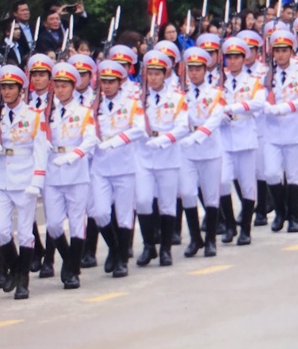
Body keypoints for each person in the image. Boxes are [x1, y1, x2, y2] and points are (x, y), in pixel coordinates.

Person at [0, 65, 49, 300]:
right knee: (0, 231)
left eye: (11, 87)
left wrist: (38, 180)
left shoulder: (33, 115)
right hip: (1, 178)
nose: (6, 92)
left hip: (24, 177)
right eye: (3, 87)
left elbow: (41, 150)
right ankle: (13, 268)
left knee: (25, 233)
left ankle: (23, 279)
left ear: (21, 90)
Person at [44, 62, 98, 289]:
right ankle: (69, 260)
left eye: (65, 85)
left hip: (76, 171)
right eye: (57, 84)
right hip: (53, 171)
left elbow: (90, 139)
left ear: (73, 86)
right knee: (54, 224)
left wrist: (74, 156)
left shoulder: (84, 111)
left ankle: (72, 271)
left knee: (77, 222)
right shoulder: (48, 111)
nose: (60, 89)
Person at [89, 60, 145, 276]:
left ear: (120, 82)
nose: (107, 86)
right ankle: (114, 248)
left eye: (111, 82)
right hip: (101, 166)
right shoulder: (95, 105)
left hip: (123, 164)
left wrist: (116, 140)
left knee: (123, 215)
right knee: (101, 212)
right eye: (104, 81)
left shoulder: (131, 103)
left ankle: (121, 258)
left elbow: (139, 129)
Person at [135, 50, 189, 267]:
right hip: (144, 155)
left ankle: (165, 248)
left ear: (165, 74)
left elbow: (183, 126)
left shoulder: (176, 97)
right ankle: (149, 245)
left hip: (167, 155)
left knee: (167, 204)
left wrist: (165, 140)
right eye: (150, 74)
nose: (154, 78)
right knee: (143, 200)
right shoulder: (138, 98)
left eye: (158, 74)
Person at [218, 37, 265, 246]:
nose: (233, 61)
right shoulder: (220, 83)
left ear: (243, 58)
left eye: (236, 57)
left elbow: (258, 103)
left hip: (245, 135)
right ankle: (229, 224)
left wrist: (234, 108)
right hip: (225, 137)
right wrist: (221, 114)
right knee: (221, 182)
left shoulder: (253, 81)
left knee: (247, 186)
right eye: (229, 57)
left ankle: (245, 228)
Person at [178, 47, 224, 257]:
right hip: (186, 151)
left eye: (198, 69)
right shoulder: (180, 94)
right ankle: (195, 238)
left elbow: (215, 119)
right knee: (187, 193)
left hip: (209, 148)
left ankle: (211, 239)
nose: (194, 73)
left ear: (205, 70)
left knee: (211, 195)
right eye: (191, 69)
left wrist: (197, 136)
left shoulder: (215, 93)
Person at [264, 30, 298, 233]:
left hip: (293, 130)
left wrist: (282, 108)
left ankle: (293, 217)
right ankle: (280, 212)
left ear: (291, 52)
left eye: (284, 50)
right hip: (273, 132)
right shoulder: (267, 75)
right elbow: (259, 97)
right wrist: (267, 107)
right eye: (277, 51)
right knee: (272, 173)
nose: (281, 55)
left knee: (293, 176)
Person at [26, 53, 57, 276]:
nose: (37, 79)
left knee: (51, 212)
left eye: (42, 75)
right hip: (30, 161)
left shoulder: (57, 101)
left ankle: (50, 259)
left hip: (53, 161)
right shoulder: (25, 103)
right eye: (34, 75)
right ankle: (37, 250)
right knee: (27, 210)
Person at [237, 30, 271, 227]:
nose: (247, 53)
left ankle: (262, 210)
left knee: (260, 171)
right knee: (238, 173)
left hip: (260, 125)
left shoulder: (265, 70)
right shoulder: (230, 75)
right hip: (239, 125)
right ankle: (246, 205)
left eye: (250, 49)